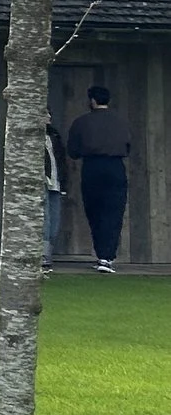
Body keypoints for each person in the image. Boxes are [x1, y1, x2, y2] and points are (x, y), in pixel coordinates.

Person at [66, 85, 136, 274]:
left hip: (92, 166)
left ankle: (101, 255)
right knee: (114, 212)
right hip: (115, 167)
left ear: (92, 101)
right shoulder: (121, 122)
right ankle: (107, 257)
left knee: (94, 211)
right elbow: (128, 147)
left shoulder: (81, 122)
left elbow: (72, 151)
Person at [44, 119, 68, 270]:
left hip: (55, 181)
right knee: (44, 217)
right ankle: (43, 255)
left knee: (54, 218)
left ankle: (48, 253)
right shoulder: (28, 138)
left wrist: (63, 182)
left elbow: (60, 159)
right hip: (42, 181)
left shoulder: (54, 135)